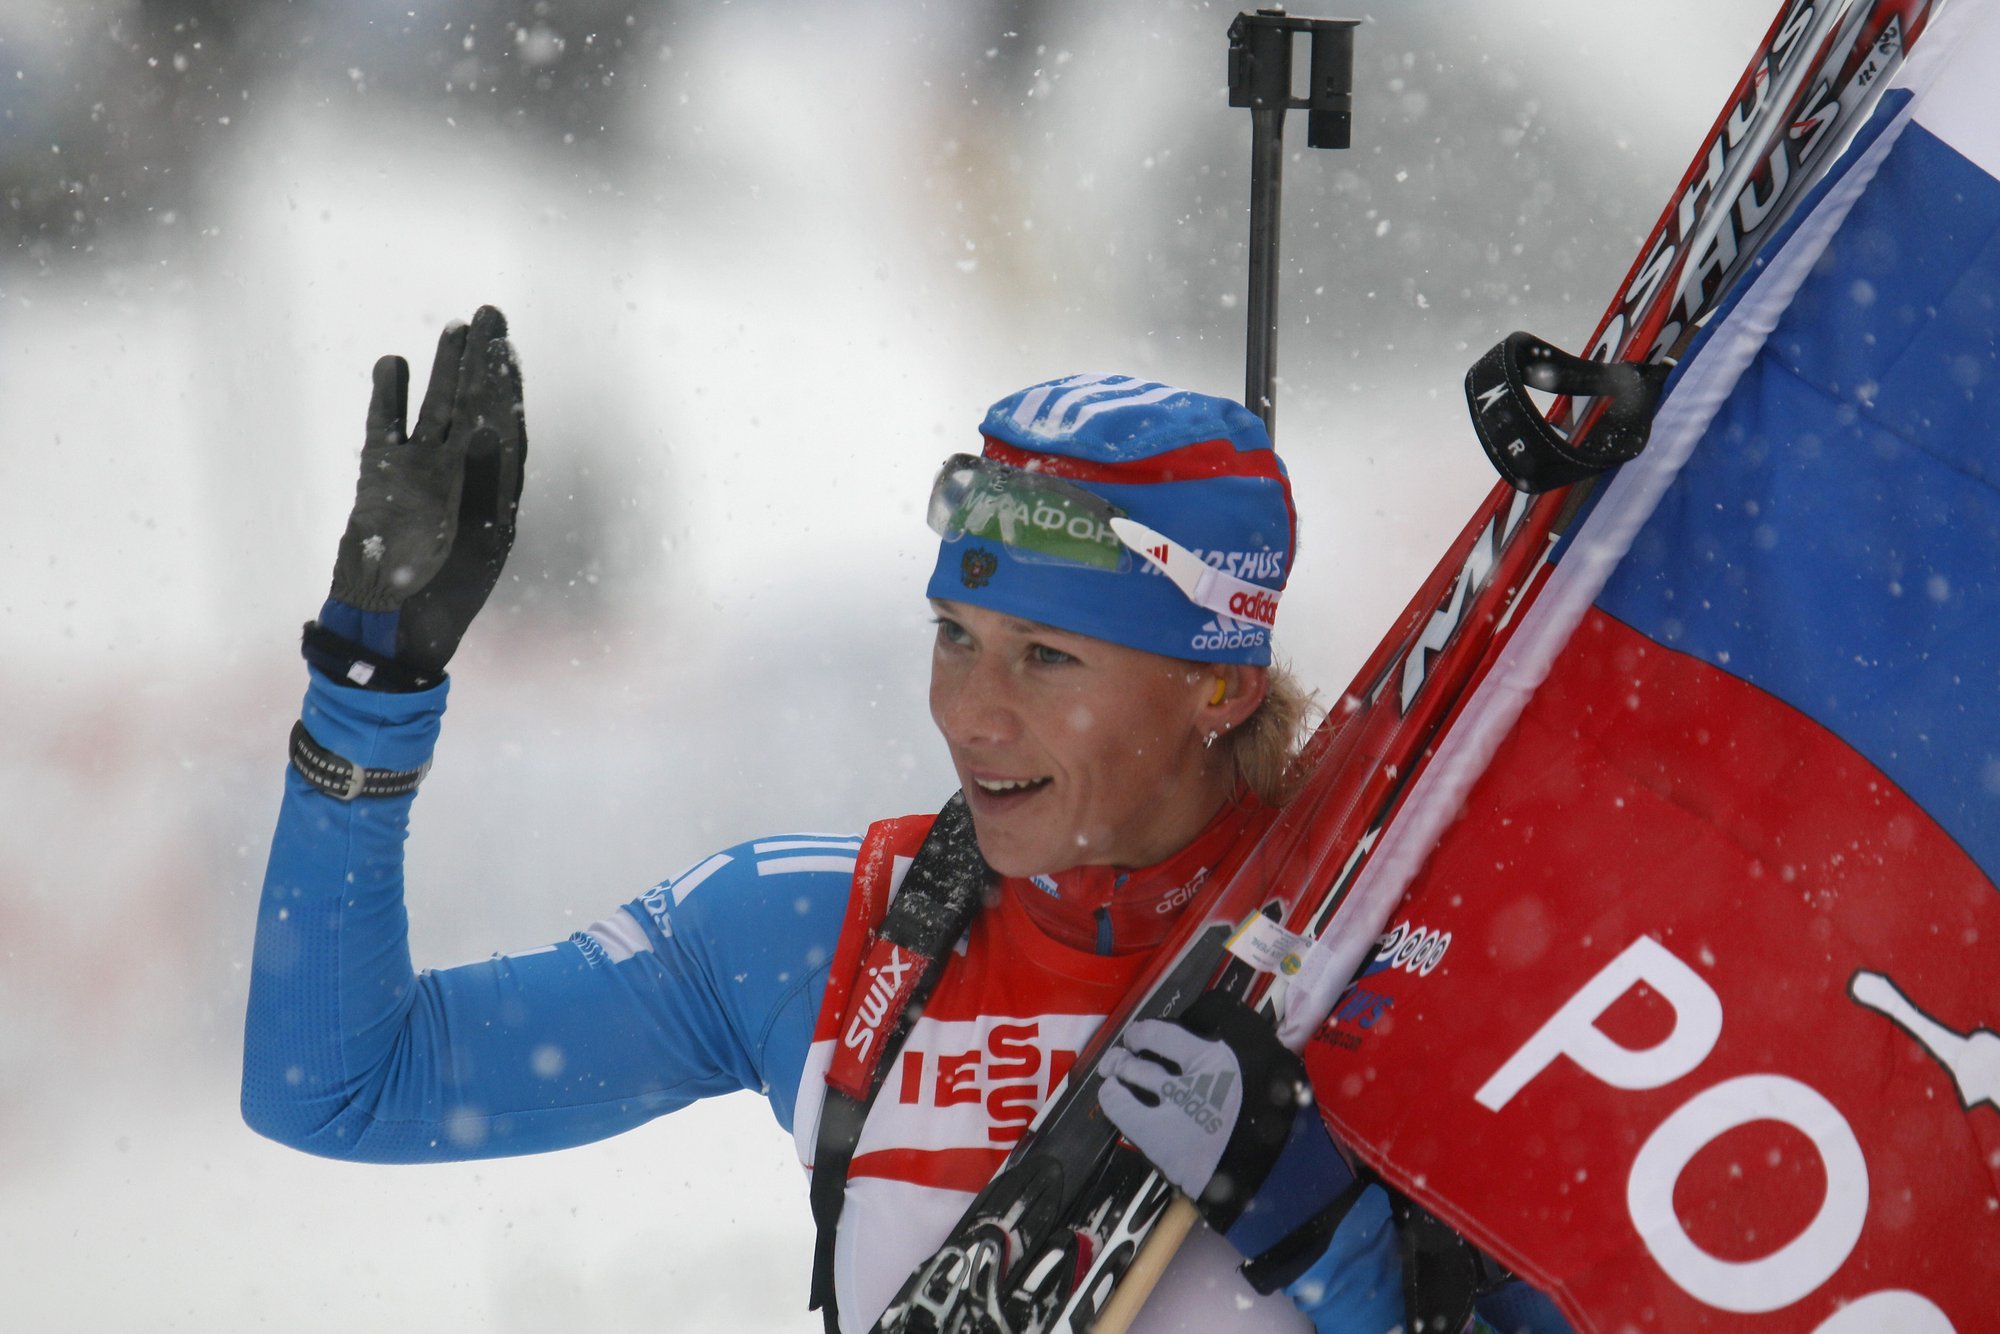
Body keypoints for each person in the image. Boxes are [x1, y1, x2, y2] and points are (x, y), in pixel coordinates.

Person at [243, 306, 1567, 1332]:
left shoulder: (1395, 955)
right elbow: (341, 1089)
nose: (972, 714)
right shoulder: (823, 927)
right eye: (954, 635)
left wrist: (1327, 1226)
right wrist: (371, 691)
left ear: (1218, 685)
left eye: (1046, 657)